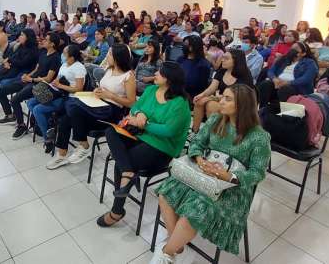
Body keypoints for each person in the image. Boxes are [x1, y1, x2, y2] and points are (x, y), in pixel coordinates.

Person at [152, 85, 271, 263]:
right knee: (165, 194)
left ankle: (166, 253)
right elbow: (196, 142)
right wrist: (199, 159)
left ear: (243, 105)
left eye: (227, 99)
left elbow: (258, 172)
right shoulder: (216, 119)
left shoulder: (258, 137)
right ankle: (176, 243)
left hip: (232, 188)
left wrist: (230, 176)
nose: (220, 101)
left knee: (195, 210)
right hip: (204, 175)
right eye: (222, 96)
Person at [96, 62, 191, 229]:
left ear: (169, 79)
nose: (155, 74)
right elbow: (136, 106)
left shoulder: (180, 103)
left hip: (162, 147)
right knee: (111, 131)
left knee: (122, 162)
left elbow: (169, 131)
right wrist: (138, 113)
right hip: (140, 136)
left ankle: (117, 211)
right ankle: (128, 173)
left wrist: (144, 125)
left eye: (159, 73)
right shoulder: (150, 90)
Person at [47, 44, 137, 169]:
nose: (107, 56)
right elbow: (104, 88)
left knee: (73, 108)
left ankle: (84, 145)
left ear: (118, 57)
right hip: (99, 104)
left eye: (110, 54)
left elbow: (131, 103)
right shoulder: (109, 70)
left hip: (112, 111)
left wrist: (110, 95)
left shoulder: (128, 76)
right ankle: (62, 155)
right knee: (65, 120)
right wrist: (98, 91)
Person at [25, 44, 86, 152]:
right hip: (56, 93)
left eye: (65, 53)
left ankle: (48, 139)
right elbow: (57, 80)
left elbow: (79, 89)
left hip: (68, 97)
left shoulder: (79, 67)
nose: (62, 55)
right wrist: (52, 84)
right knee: (30, 102)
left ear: (71, 57)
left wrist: (60, 86)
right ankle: (49, 127)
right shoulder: (64, 65)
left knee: (37, 109)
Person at [3, 33, 61, 133]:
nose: (43, 41)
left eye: (46, 40)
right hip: (31, 80)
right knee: (4, 89)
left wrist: (32, 80)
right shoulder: (43, 52)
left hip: (40, 85)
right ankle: (13, 117)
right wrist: (28, 76)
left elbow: (48, 79)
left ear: (52, 44)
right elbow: (37, 68)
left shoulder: (55, 58)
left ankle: (21, 125)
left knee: (14, 100)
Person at [0, 29, 39, 114]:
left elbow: (23, 63)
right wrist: (7, 61)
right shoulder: (21, 45)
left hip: (24, 71)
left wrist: (10, 61)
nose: (19, 37)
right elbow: (12, 56)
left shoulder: (33, 50)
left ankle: (12, 110)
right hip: (13, 68)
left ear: (28, 37)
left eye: (22, 35)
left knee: (4, 83)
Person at [192, 50, 253, 132]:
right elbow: (211, 88)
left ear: (236, 61)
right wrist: (202, 95)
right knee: (199, 101)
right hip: (220, 98)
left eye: (226, 58)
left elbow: (241, 98)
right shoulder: (222, 71)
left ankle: (211, 134)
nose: (222, 60)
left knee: (211, 105)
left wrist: (215, 98)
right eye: (223, 57)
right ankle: (195, 131)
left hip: (235, 103)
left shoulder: (245, 76)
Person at [258, 41, 319, 108]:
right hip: (278, 84)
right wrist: (274, 79)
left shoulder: (310, 63)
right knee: (265, 84)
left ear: (303, 53)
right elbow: (271, 71)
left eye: (296, 48)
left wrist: (288, 83)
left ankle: (284, 113)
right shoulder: (284, 59)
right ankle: (262, 110)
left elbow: (306, 78)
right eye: (291, 48)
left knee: (285, 89)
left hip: (297, 88)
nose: (292, 50)